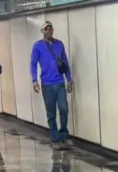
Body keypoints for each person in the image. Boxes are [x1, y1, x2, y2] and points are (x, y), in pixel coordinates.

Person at [31, 21, 74, 149]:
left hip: (59, 82)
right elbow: (33, 64)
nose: (48, 31)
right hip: (47, 84)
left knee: (64, 108)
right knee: (51, 113)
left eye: (50, 29)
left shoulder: (59, 44)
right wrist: (34, 80)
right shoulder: (37, 46)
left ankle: (64, 134)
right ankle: (55, 138)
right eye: (46, 29)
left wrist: (69, 80)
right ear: (42, 31)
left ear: (52, 30)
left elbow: (65, 63)